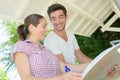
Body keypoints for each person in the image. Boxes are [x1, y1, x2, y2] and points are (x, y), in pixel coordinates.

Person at [11, 14, 89, 80]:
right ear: (32, 28)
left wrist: (90, 65)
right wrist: (61, 78)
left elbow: (65, 67)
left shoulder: (46, 51)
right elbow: (26, 78)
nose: (47, 29)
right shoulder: (21, 47)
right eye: (44, 26)